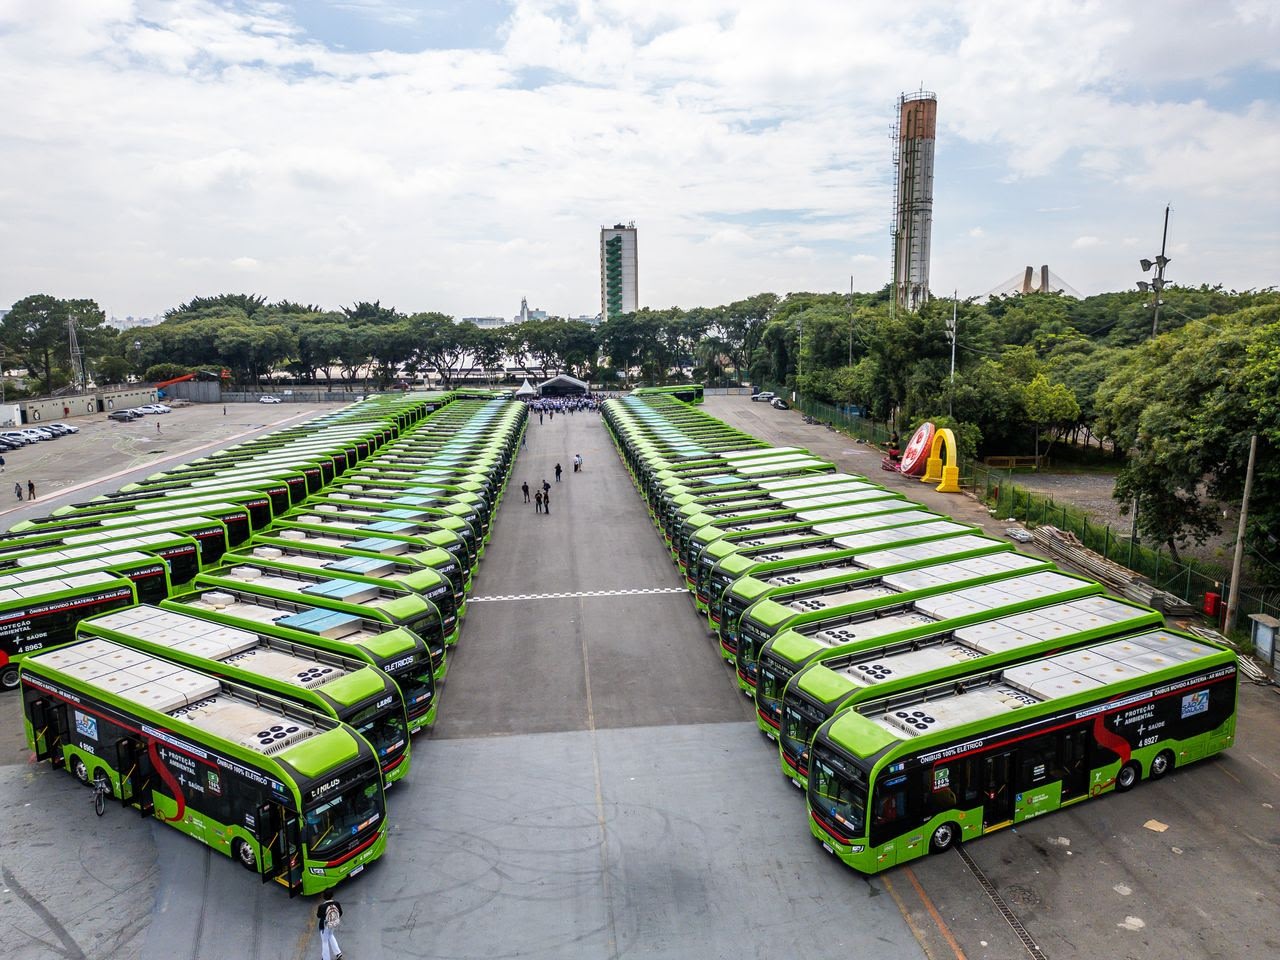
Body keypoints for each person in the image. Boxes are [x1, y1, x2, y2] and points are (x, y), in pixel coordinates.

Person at [315, 890, 343, 960]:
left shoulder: (322, 906)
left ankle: (326, 958)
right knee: (331, 935)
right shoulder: (337, 903)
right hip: (334, 924)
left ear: (324, 897)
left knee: (325, 941)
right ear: (332, 895)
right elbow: (340, 913)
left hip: (325, 925)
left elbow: (318, 916)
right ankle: (338, 953)